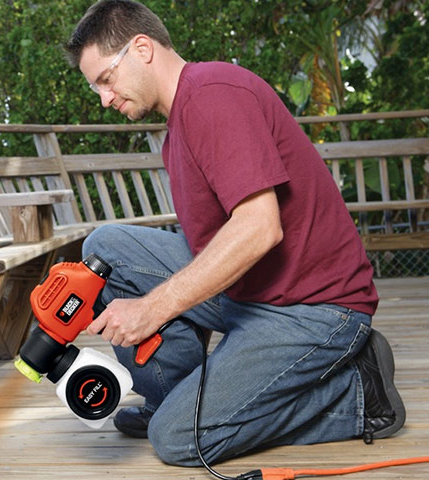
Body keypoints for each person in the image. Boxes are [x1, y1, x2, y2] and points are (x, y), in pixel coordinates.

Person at [64, 0, 406, 467]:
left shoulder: (212, 94)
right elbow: (212, 246)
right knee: (105, 248)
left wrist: (151, 308)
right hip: (253, 293)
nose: (104, 98)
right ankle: (177, 396)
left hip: (315, 309)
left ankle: (357, 393)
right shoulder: (178, 126)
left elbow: (259, 228)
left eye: (105, 79)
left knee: (178, 439)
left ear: (141, 48)